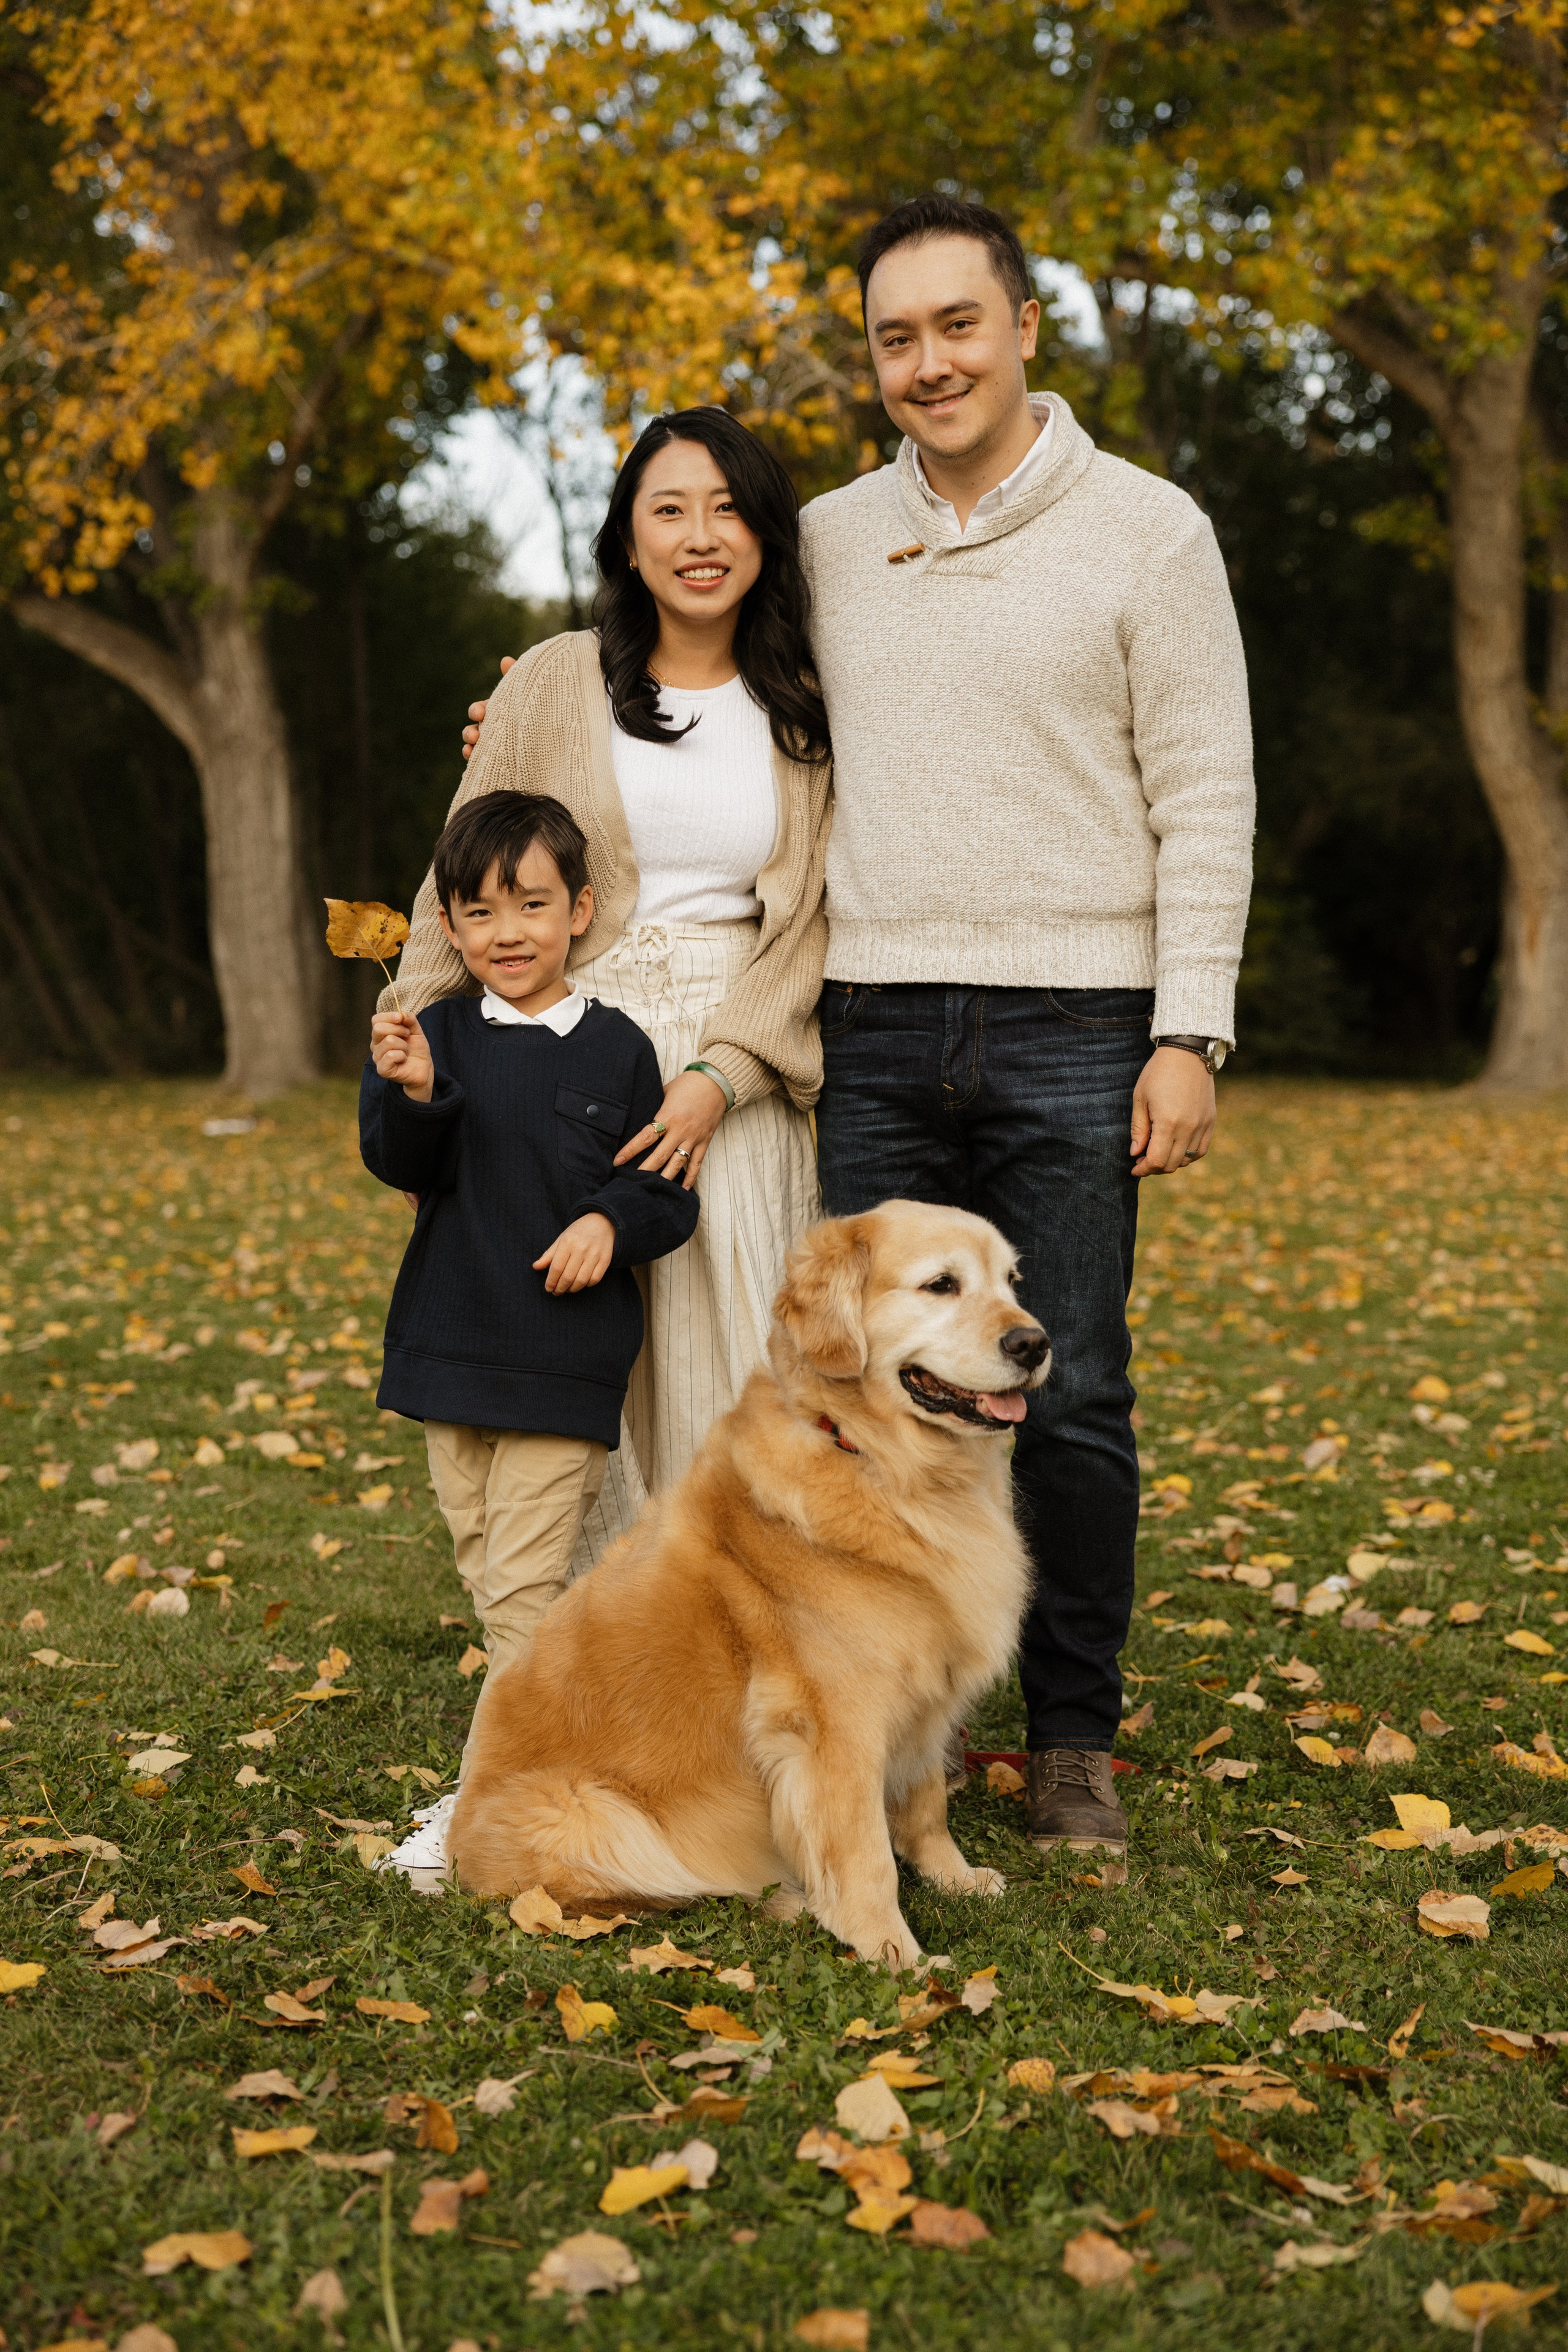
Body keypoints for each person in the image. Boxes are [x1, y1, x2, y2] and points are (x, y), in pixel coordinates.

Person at [464, 199, 1255, 1863]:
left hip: (1079, 1019)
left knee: (1075, 1385)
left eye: (958, 326)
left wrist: (1191, 1028)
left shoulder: (1152, 532)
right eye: (896, 339)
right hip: (870, 1022)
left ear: (1026, 327)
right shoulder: (823, 536)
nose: (929, 363)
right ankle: (869, 1718)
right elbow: (696, 651)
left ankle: (1066, 1742)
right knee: (854, 1395)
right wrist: (527, 708)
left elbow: (1208, 790)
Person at [391, 405, 832, 1578]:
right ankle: (586, 1699)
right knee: (572, 1371)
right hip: (561, 1059)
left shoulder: (808, 701)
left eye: (729, 508)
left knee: (733, 1373)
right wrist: (416, 1053)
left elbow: (809, 923)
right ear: (627, 541)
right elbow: (464, 861)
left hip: (731, 1062)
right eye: (670, 509)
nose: (701, 536)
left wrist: (717, 1080)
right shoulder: (552, 681)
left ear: (766, 536)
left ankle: (746, 1694)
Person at [363, 790, 699, 1888]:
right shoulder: (438, 1037)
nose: (506, 932)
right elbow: (401, 1165)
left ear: (580, 910)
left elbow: (664, 1195)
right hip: (448, 1351)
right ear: (450, 928)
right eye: (477, 912)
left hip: (563, 1364)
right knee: (487, 1574)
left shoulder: (617, 1050)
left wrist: (609, 1219)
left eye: (532, 905)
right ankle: (583, 1760)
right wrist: (413, 1094)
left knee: (517, 1599)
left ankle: (478, 1816)